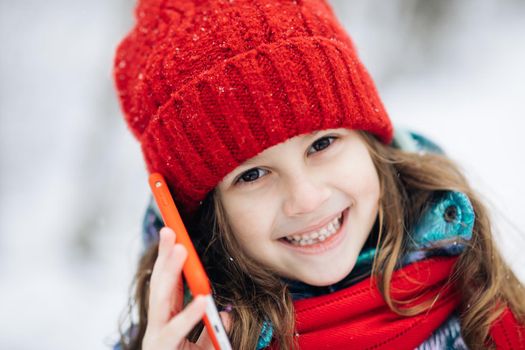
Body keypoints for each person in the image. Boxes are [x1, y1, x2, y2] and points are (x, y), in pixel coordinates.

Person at [111, 0, 525, 349]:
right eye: (253, 174)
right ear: (204, 220)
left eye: (322, 144)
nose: (307, 199)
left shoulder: (476, 285)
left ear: (370, 142)